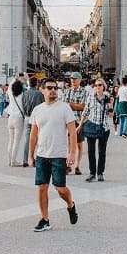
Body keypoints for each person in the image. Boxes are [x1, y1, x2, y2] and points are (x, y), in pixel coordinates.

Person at [28, 79, 79, 232]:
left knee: (60, 188)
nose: (53, 91)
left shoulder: (64, 108)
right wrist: (31, 155)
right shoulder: (37, 110)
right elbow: (33, 135)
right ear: (42, 89)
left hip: (59, 155)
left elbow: (72, 132)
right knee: (42, 187)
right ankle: (45, 219)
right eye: (49, 88)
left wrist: (72, 153)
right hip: (42, 154)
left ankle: (70, 204)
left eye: (55, 88)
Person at [79, 78, 111, 182]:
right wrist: (80, 125)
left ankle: (100, 173)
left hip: (104, 127)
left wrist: (109, 105)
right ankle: (92, 173)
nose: (97, 87)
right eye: (96, 85)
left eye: (100, 85)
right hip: (92, 126)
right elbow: (85, 112)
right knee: (91, 151)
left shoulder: (108, 97)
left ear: (104, 86)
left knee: (102, 152)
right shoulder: (90, 97)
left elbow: (110, 114)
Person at [63, 72, 87, 175]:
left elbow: (83, 107)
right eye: (71, 79)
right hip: (69, 121)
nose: (73, 80)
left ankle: (77, 165)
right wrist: (75, 106)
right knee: (69, 143)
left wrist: (71, 105)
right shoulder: (67, 91)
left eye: (75, 79)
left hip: (79, 121)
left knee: (79, 144)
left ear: (80, 80)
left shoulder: (84, 92)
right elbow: (64, 106)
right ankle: (68, 165)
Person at [22, 76, 44, 167]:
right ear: (37, 84)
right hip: (37, 118)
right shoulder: (39, 94)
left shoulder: (25, 93)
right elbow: (44, 105)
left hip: (27, 117)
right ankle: (36, 159)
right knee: (39, 138)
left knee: (27, 139)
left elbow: (22, 104)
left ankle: (25, 160)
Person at [6, 78, 26, 167]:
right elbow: (28, 87)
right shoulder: (22, 95)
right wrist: (26, 79)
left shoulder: (11, 94)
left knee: (10, 140)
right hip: (18, 119)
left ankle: (9, 160)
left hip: (10, 118)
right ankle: (13, 161)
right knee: (16, 141)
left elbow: (10, 86)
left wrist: (15, 78)